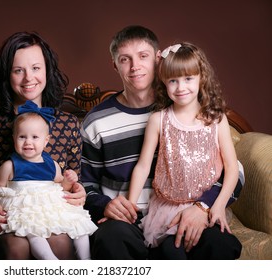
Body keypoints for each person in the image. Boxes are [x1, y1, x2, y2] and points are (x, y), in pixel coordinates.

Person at [81, 25, 243, 259]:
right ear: (114, 65)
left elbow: (234, 169)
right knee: (111, 238)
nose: (135, 66)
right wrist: (105, 204)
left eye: (143, 56)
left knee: (220, 244)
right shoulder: (96, 121)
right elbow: (85, 182)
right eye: (125, 59)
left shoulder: (184, 108)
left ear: (158, 59)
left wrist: (202, 206)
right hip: (128, 218)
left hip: (187, 211)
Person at [0, 31, 87, 259]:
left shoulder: (68, 124)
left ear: (47, 71)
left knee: (60, 242)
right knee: (17, 246)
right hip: (8, 217)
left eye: (36, 68)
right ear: (7, 76)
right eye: (19, 70)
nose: (29, 78)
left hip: (51, 213)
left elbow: (72, 180)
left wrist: (78, 191)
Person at [127, 42, 239, 258]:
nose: (180, 87)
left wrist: (218, 206)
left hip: (205, 208)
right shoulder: (158, 120)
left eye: (188, 79)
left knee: (223, 246)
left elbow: (232, 169)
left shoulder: (217, 120)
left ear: (201, 78)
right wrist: (130, 206)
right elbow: (142, 167)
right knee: (172, 253)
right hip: (167, 209)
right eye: (173, 81)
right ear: (164, 83)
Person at [0, 101, 97, 259]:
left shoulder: (53, 164)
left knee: (77, 225)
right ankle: (50, 261)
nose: (28, 142)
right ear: (14, 138)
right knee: (34, 233)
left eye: (35, 137)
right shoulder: (10, 166)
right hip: (25, 212)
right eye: (22, 137)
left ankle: (87, 259)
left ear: (46, 140)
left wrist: (70, 181)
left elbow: (61, 185)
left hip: (48, 212)